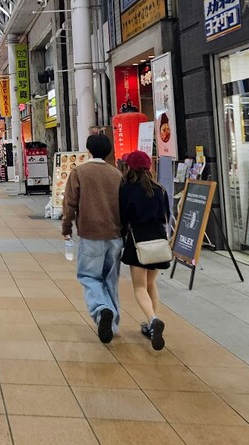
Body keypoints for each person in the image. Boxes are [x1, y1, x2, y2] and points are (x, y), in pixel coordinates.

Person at [61, 133, 123, 344]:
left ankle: (101, 309)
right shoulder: (116, 174)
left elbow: (70, 203)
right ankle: (112, 324)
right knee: (111, 280)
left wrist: (66, 227)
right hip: (115, 235)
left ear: (88, 150)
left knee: (89, 277)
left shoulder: (80, 172)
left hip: (90, 235)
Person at [120, 150, 170, 351]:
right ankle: (152, 324)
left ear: (129, 167)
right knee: (151, 283)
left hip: (138, 239)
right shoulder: (160, 189)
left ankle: (152, 319)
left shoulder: (126, 188)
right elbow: (165, 215)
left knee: (139, 287)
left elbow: (123, 216)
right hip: (158, 238)